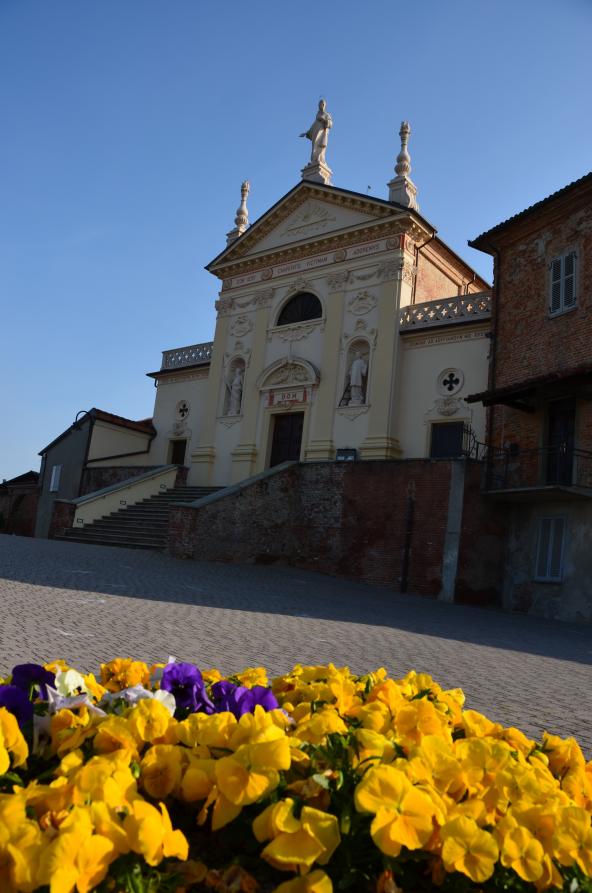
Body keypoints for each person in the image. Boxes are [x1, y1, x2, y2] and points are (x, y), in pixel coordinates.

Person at [300, 99, 333, 166]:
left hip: (322, 133)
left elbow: (330, 124)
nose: (320, 106)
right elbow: (314, 125)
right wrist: (307, 132)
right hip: (316, 132)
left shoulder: (327, 114)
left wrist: (324, 120)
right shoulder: (318, 114)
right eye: (319, 104)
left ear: (324, 105)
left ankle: (319, 158)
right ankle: (314, 160)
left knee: (321, 145)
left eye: (321, 104)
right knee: (315, 145)